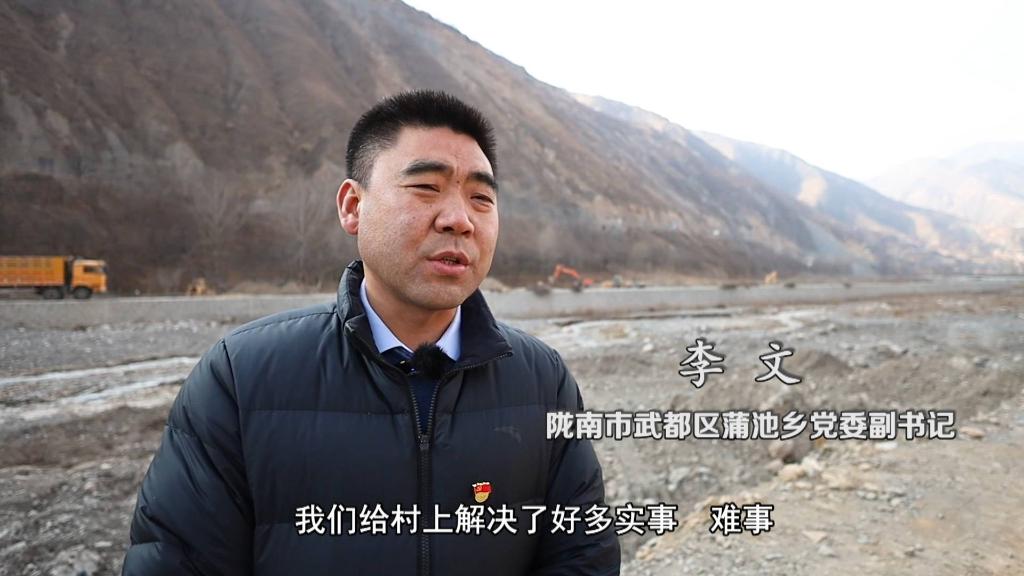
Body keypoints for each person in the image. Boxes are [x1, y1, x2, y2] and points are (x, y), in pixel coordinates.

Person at [121, 90, 620, 575]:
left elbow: (583, 555)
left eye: (481, 198)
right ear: (352, 206)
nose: (459, 219)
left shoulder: (541, 379)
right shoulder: (241, 376)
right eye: (426, 188)